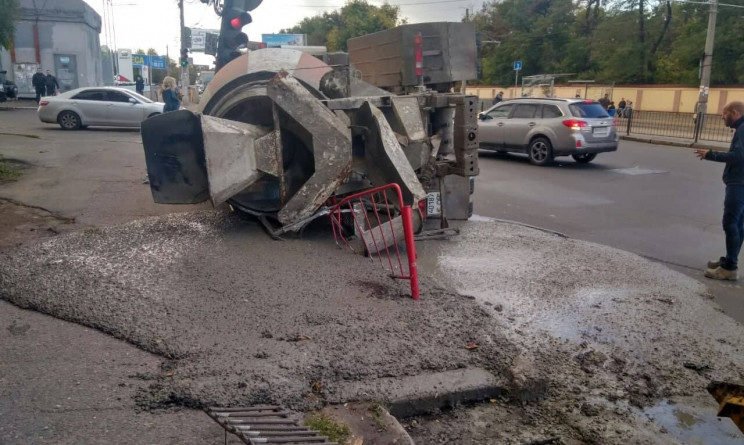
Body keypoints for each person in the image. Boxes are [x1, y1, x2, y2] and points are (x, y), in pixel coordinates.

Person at [694, 101, 744, 281]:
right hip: (741, 183)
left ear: (735, 112)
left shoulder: (742, 129)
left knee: (730, 223)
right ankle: (730, 261)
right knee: (738, 225)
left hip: (738, 184)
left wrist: (710, 154)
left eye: (725, 114)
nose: (723, 117)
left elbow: (739, 156)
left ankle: (730, 268)